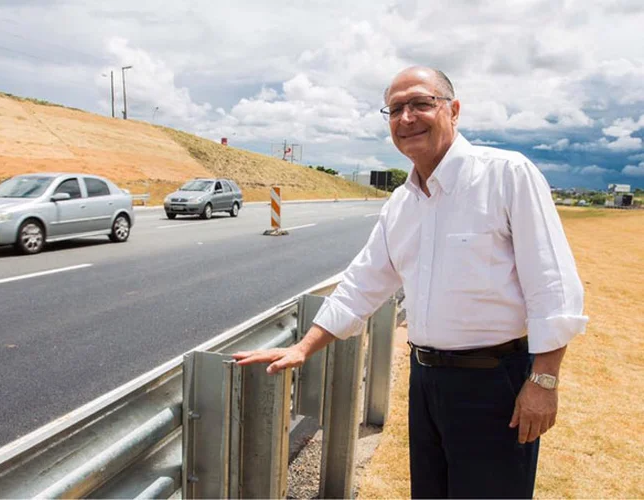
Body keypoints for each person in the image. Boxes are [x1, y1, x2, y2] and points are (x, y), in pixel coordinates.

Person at [233, 66, 588, 498]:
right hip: (426, 383)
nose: (407, 118)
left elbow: (552, 284)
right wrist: (303, 347)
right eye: (396, 108)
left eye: (421, 103)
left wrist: (544, 380)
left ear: (453, 110)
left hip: (494, 384)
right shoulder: (401, 204)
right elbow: (362, 283)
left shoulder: (506, 175)